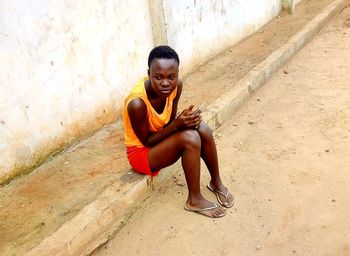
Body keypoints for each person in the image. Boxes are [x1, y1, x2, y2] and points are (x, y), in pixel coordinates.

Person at [123, 45, 234, 218]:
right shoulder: (137, 103)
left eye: (171, 77)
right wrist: (177, 125)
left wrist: (185, 120)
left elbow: (168, 121)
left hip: (159, 138)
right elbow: (147, 140)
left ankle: (216, 182)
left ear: (177, 74)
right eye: (158, 77)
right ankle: (194, 200)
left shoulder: (176, 86)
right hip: (141, 153)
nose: (166, 83)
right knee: (190, 137)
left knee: (201, 128)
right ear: (149, 73)